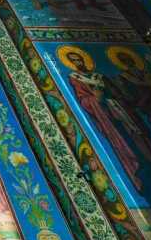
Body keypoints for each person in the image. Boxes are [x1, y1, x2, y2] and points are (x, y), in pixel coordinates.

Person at [61, 48, 143, 190]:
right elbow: (83, 100)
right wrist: (95, 99)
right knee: (121, 144)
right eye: (74, 61)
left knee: (138, 140)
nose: (78, 62)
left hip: (120, 113)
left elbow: (117, 93)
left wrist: (114, 95)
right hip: (105, 119)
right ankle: (135, 174)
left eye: (79, 59)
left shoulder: (99, 76)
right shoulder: (76, 78)